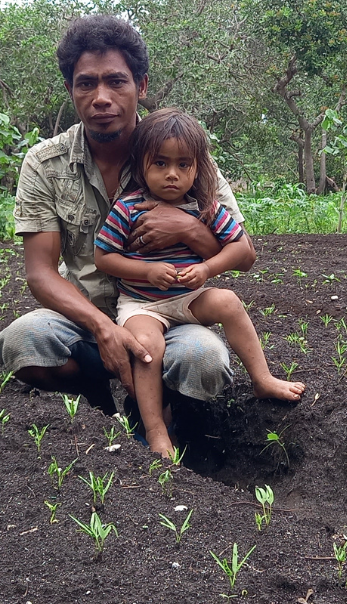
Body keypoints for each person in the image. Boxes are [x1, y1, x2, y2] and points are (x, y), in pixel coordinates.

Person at [0, 15, 255, 416]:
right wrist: (103, 327)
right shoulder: (44, 163)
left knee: (203, 361)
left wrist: (187, 228)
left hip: (171, 316)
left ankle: (173, 417)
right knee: (23, 341)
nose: (101, 97)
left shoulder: (183, 157)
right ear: (70, 90)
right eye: (86, 83)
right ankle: (97, 400)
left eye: (116, 81)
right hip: (84, 320)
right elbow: (40, 273)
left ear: (141, 86)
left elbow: (244, 254)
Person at [94, 108, 305, 456]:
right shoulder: (128, 208)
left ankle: (263, 379)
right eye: (160, 163)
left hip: (188, 297)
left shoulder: (205, 207)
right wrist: (146, 271)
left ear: (197, 167)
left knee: (229, 302)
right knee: (147, 347)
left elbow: (240, 248)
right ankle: (156, 430)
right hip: (142, 304)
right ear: (141, 165)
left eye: (183, 164)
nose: (172, 174)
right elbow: (104, 257)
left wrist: (206, 269)